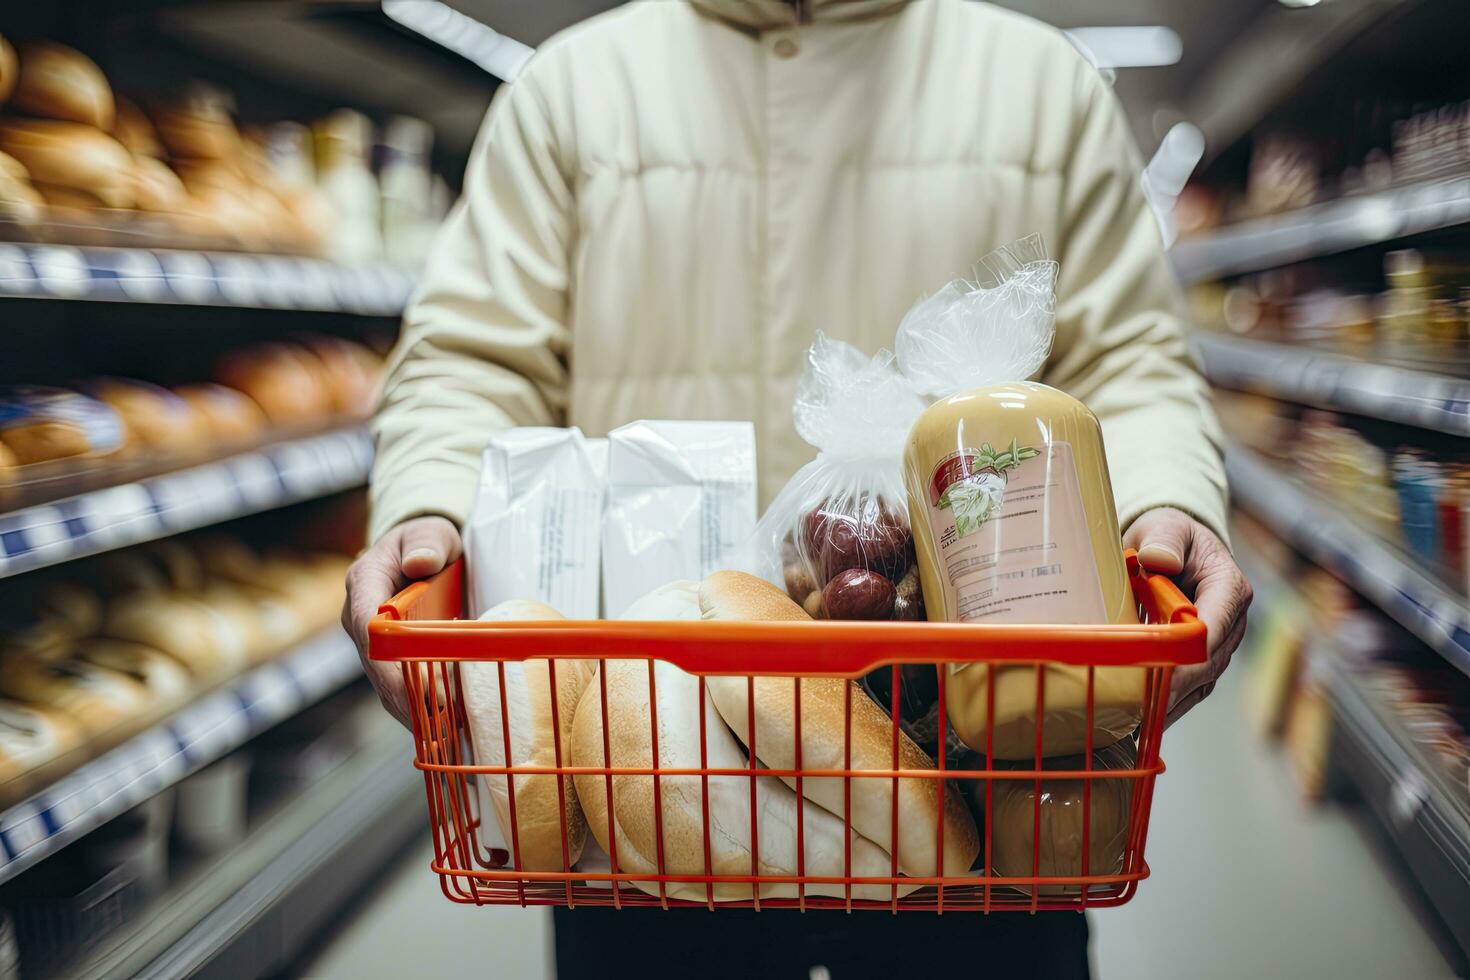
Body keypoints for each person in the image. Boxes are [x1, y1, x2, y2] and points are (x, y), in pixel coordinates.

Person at [343, 1, 1253, 975]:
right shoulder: (573, 91)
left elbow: (1128, 361)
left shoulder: (1040, 83)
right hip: (644, 780)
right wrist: (426, 505)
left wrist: (1169, 499)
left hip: (985, 775)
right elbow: (474, 358)